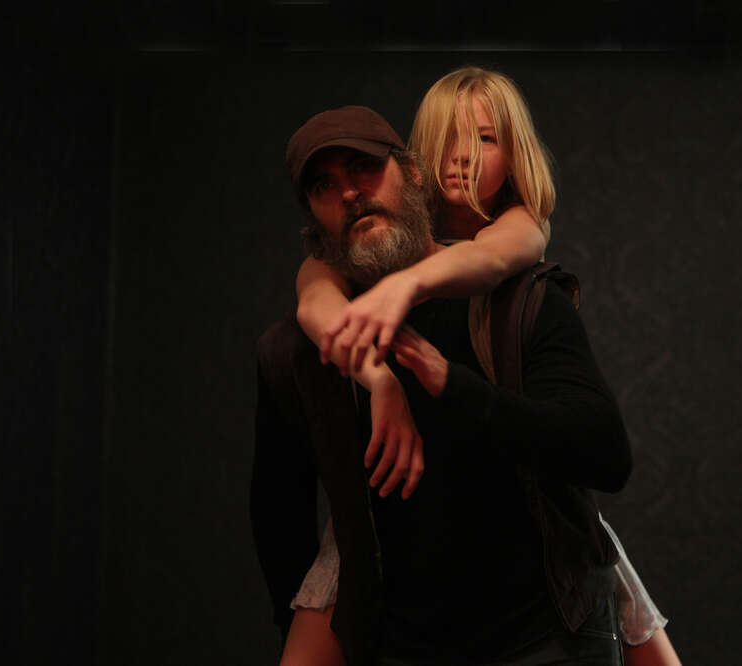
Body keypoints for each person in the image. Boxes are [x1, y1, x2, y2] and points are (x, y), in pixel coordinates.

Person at [278, 67, 681, 665]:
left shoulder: (518, 246)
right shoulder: (371, 240)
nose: (462, 156)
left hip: (533, 575)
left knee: (605, 579)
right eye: (448, 137)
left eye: (486, 139)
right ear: (416, 162)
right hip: (406, 577)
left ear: (515, 158)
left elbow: (491, 258)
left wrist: (408, 288)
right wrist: (378, 376)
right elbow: (313, 290)